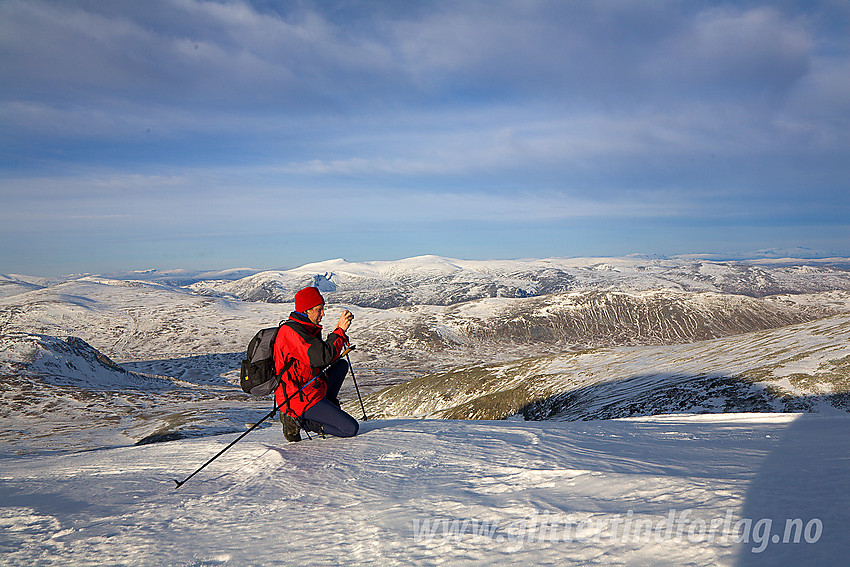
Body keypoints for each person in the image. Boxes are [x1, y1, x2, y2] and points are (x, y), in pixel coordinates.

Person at [272, 286, 359, 442]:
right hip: (299, 398)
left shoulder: (306, 328)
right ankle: (299, 421)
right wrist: (339, 332)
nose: (322, 314)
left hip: (312, 387)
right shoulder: (291, 333)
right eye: (319, 310)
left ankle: (326, 405)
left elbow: (323, 357)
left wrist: (337, 335)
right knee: (349, 428)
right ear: (306, 310)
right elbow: (322, 357)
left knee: (340, 366)